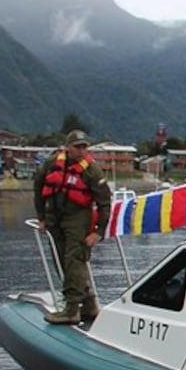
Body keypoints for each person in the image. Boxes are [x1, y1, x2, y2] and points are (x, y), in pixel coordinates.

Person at [33, 130, 111, 324]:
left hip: (78, 219)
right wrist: (41, 217)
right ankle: (90, 304)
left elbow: (104, 203)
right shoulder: (52, 163)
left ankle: (72, 309)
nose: (82, 150)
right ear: (67, 147)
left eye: (85, 147)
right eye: (77, 147)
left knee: (74, 261)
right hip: (54, 218)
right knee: (61, 262)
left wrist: (98, 232)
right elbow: (38, 187)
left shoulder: (92, 170)